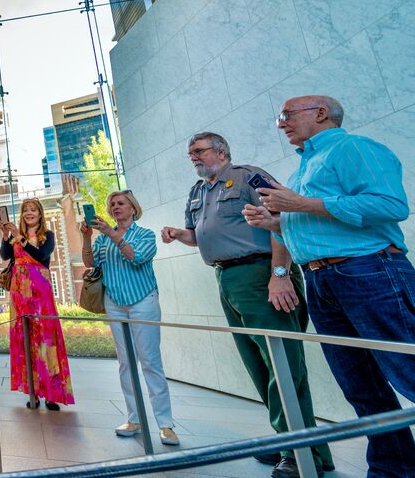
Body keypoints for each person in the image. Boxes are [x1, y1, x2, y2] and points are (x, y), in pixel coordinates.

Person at [244, 95, 414, 478]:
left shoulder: (354, 147)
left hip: (369, 272)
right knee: (361, 385)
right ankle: (394, 469)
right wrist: (275, 222)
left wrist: (302, 204)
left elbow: (391, 205)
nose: (281, 123)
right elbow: (315, 221)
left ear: (320, 114)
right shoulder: (303, 168)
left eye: (286, 115)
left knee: (408, 370)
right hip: (321, 281)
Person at [161, 132, 333, 476]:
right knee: (259, 365)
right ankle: (290, 443)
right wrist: (182, 235)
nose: (193, 156)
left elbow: (284, 219)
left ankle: (300, 453)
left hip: (261, 275)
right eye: (190, 153)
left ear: (221, 150)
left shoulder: (247, 176)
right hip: (227, 279)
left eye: (199, 150)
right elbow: (197, 236)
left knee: (283, 364)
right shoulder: (198, 191)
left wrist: (280, 274)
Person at [81, 190, 178, 446]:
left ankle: (165, 424)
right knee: (125, 362)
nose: (115, 207)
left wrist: (112, 235)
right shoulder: (103, 239)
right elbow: (91, 264)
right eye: (112, 204)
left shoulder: (144, 235)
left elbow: (137, 257)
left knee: (150, 361)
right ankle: (134, 418)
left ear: (133, 208)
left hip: (142, 301)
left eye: (120, 203)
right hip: (114, 303)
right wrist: (86, 237)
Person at [0, 198, 74, 410]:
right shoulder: (15, 237)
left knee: (45, 338)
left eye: (33, 210)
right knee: (25, 339)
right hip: (19, 291)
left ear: (40, 214)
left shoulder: (46, 236)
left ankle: (51, 393)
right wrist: (6, 235)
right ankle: (33, 390)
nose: (29, 213)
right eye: (25, 210)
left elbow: (41, 256)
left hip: (40, 291)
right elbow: (5, 255)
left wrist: (19, 237)